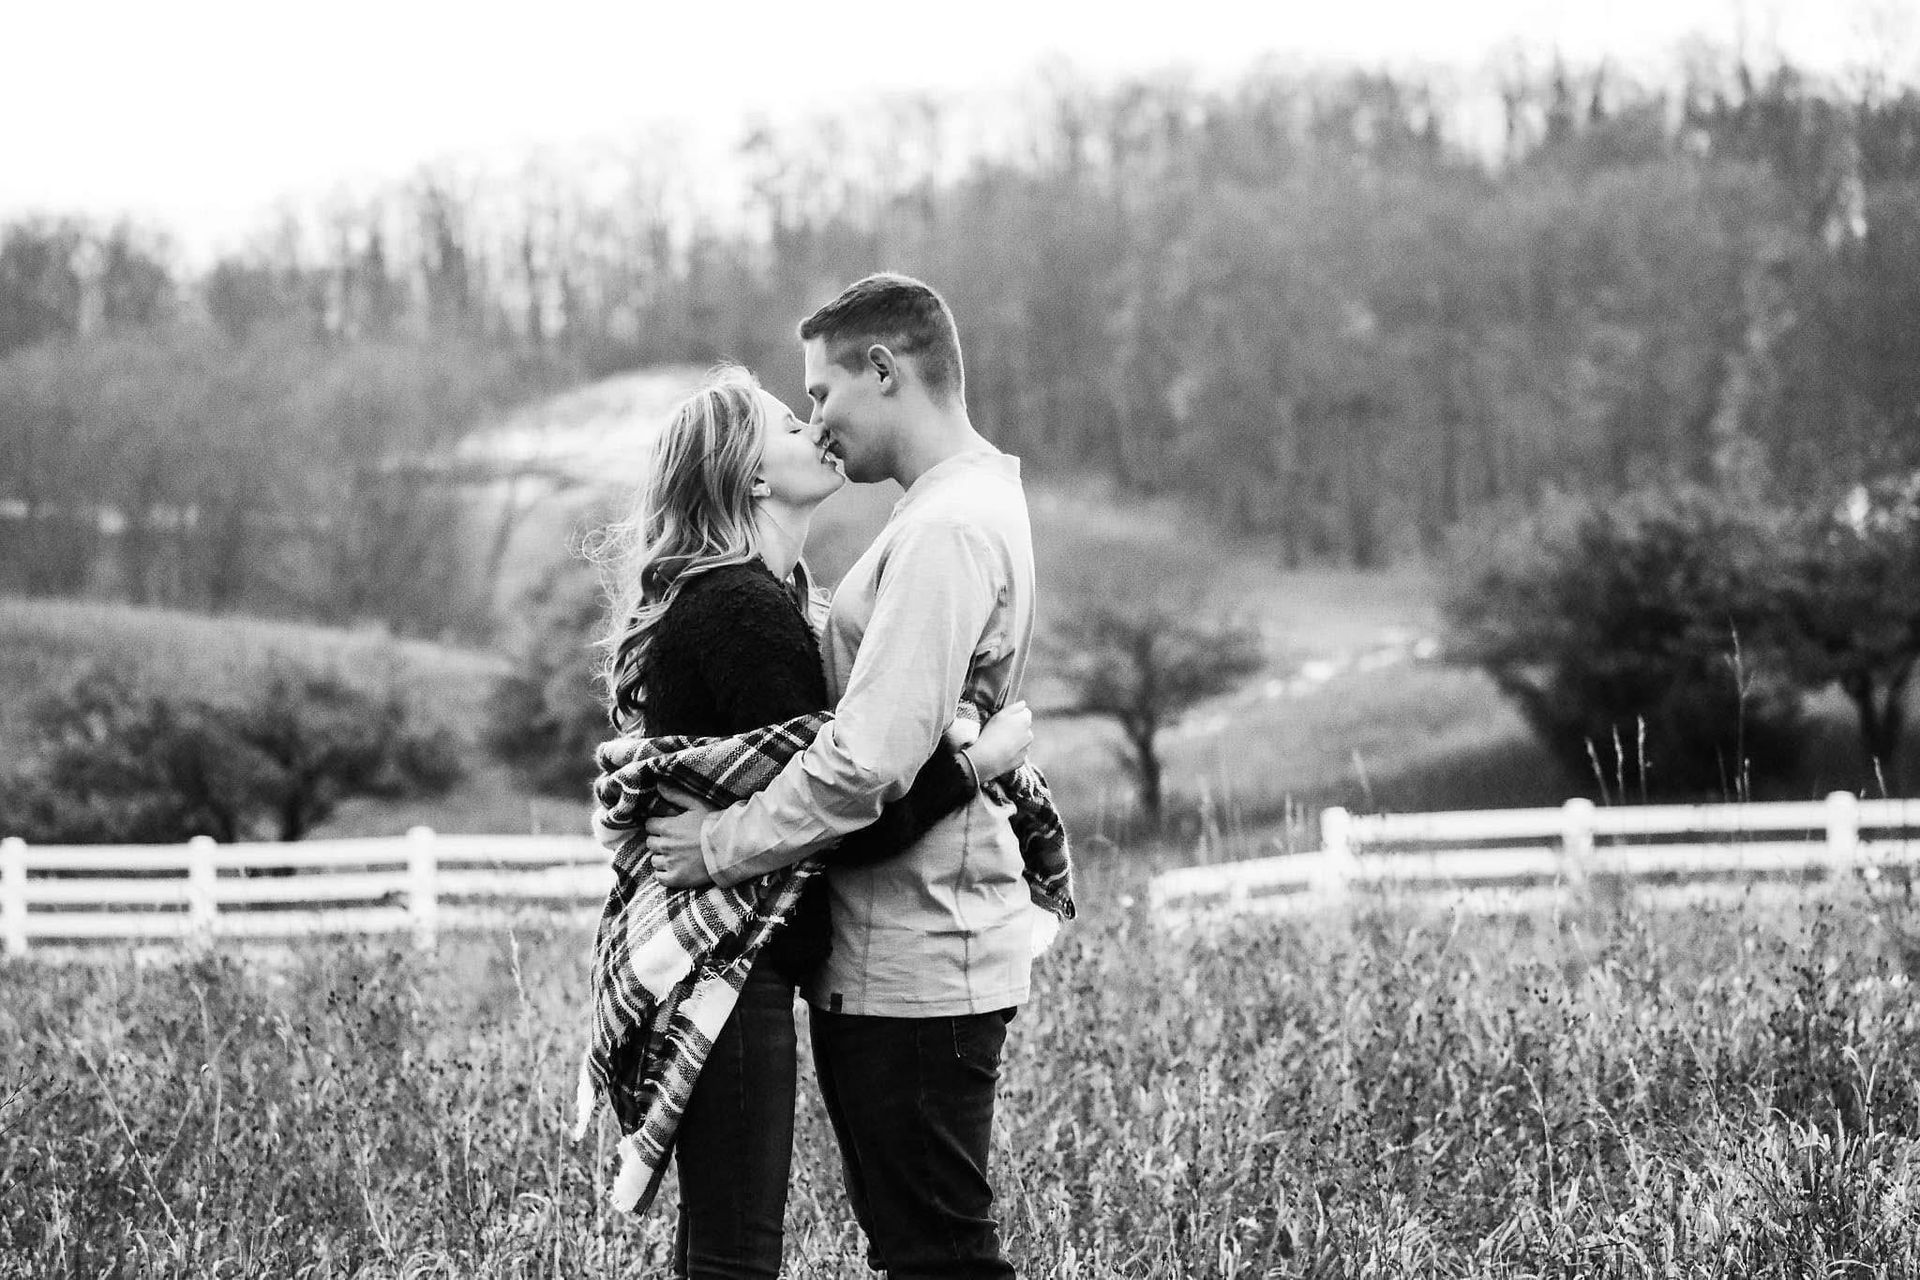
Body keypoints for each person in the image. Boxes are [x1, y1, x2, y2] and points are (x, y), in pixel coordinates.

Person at [590, 364, 1033, 1279]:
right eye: (792, 424)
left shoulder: (771, 599)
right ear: (751, 475)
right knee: (736, 1255)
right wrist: (976, 765)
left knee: (725, 1245)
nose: (818, 429)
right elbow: (844, 816)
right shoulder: (740, 610)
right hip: (728, 968)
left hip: (739, 965)